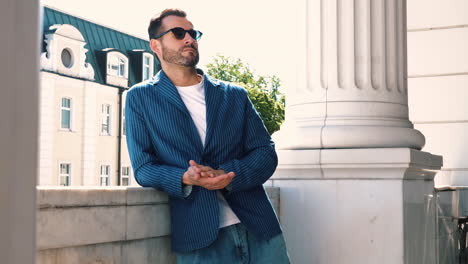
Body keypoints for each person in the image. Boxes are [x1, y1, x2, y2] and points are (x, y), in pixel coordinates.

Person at [125, 8, 289, 263]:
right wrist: (183, 177)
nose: (189, 39)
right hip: (198, 237)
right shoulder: (140, 98)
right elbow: (143, 168)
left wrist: (228, 174)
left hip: (260, 229)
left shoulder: (234, 95)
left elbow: (265, 153)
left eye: (193, 33)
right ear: (155, 45)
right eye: (179, 33)